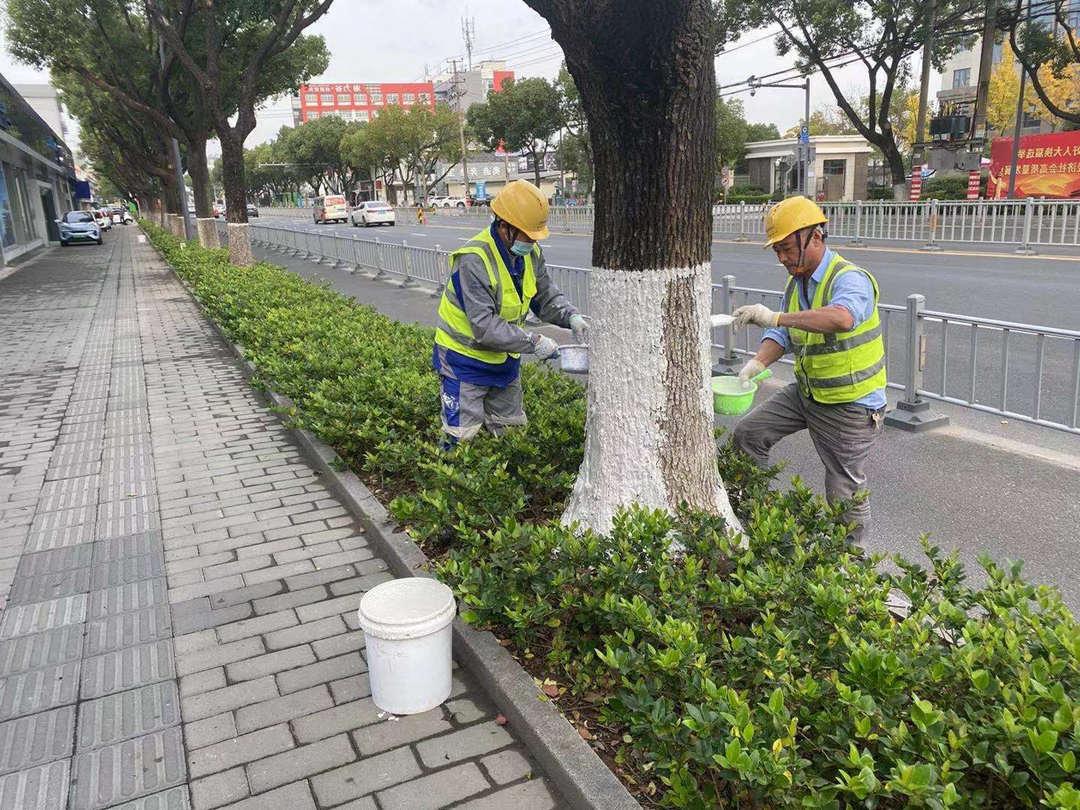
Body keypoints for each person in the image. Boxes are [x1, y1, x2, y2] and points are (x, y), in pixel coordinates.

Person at [730, 195, 887, 545]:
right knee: (748, 435)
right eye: (777, 251)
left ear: (815, 237)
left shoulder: (849, 278)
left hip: (850, 404)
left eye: (787, 248)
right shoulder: (797, 281)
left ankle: (852, 567)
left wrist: (774, 316)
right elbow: (782, 333)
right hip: (808, 393)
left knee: (843, 487)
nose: (783, 258)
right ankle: (759, 522)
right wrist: (757, 363)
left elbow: (842, 318)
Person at [433, 179, 587, 445]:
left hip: (504, 360)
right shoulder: (474, 259)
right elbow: (484, 326)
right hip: (463, 360)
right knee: (461, 437)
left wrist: (571, 316)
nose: (532, 241)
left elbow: (544, 296)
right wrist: (534, 342)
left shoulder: (530, 253)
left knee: (512, 434)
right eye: (527, 235)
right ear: (504, 226)